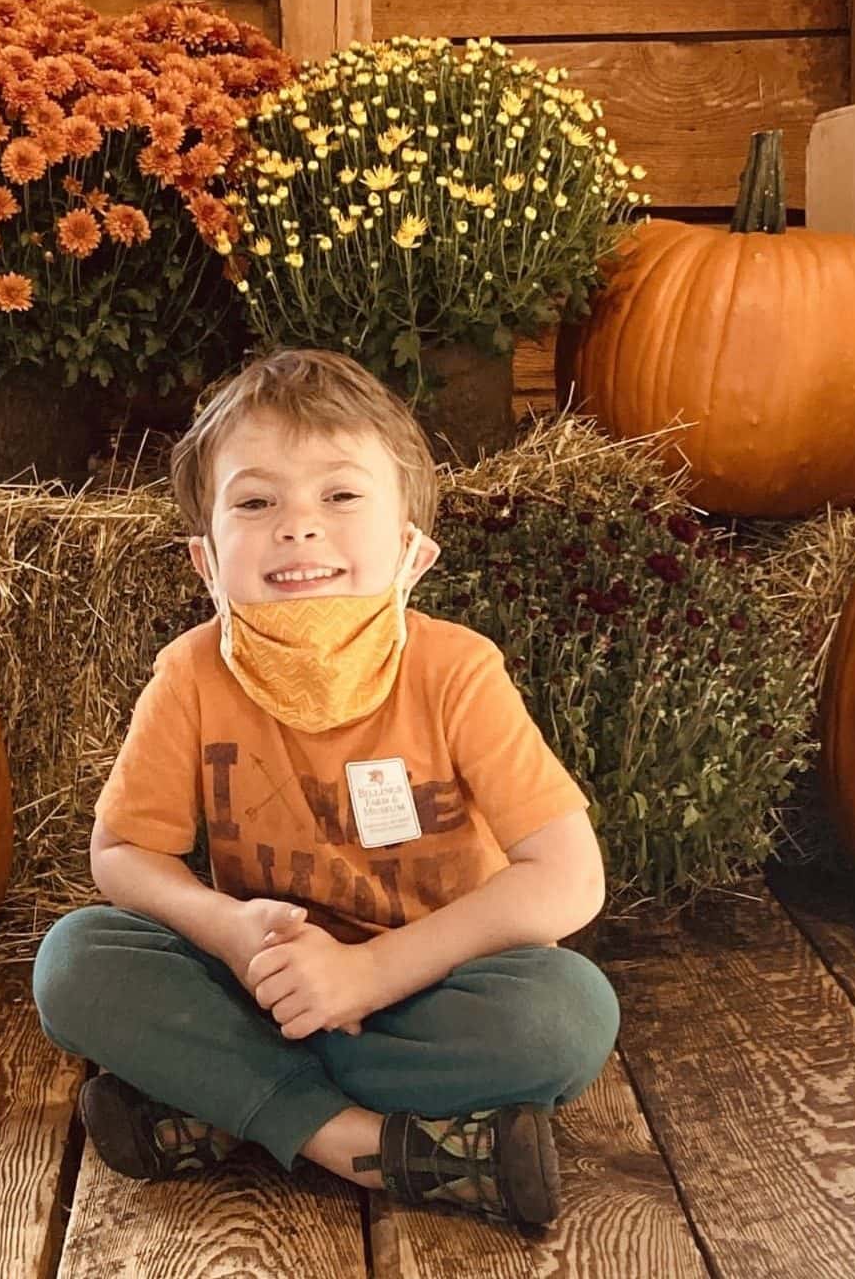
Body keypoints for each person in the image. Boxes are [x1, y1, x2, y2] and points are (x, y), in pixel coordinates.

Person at [32, 348, 618, 1229]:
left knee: (563, 1019)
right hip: (261, 984)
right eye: (256, 501)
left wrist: (371, 974)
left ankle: (224, 1102)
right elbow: (120, 853)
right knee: (77, 962)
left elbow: (568, 875)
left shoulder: (455, 670)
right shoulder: (190, 674)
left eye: (340, 497)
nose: (297, 527)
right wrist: (226, 931)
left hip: (428, 987)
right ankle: (364, 1145)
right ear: (205, 559)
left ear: (411, 551)